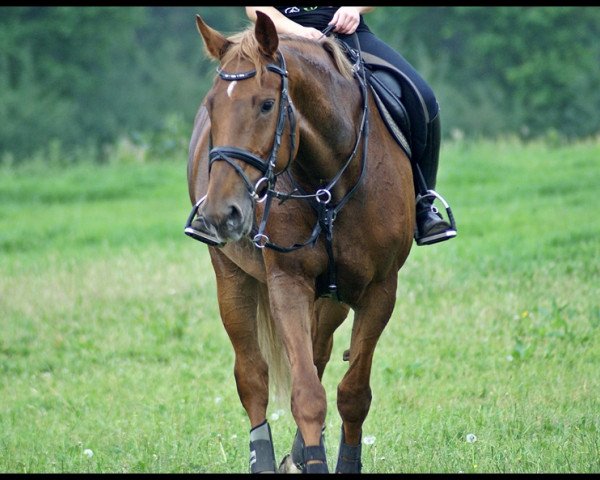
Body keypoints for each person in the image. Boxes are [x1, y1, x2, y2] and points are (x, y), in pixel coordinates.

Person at [245, 6, 457, 246]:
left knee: (423, 97)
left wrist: (353, 9)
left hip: (346, 33)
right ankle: (214, 202)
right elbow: (256, 9)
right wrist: (300, 31)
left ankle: (423, 204)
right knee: (230, 99)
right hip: (277, 39)